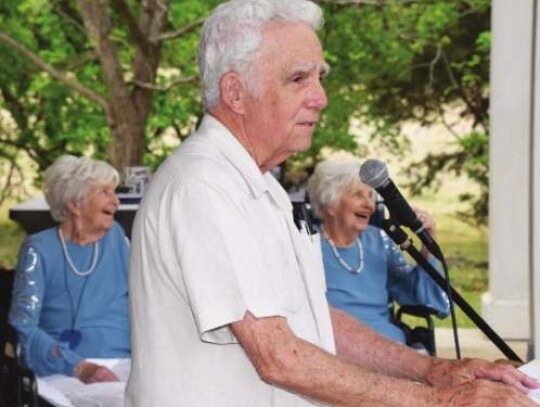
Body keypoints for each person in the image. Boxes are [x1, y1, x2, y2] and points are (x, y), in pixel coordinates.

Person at [126, 0, 538, 405]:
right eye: (298, 79)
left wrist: (433, 371)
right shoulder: (203, 185)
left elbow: (314, 321)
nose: (320, 98)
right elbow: (279, 357)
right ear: (235, 92)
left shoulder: (260, 185)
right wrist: (441, 401)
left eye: (319, 77)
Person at [9, 155, 131, 407]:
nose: (116, 201)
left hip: (126, 366)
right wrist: (79, 367)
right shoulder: (39, 249)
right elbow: (24, 327)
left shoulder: (117, 239)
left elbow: (147, 298)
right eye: (105, 192)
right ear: (75, 203)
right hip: (65, 372)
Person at [307, 158, 449, 348]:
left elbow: (421, 297)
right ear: (329, 203)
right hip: (336, 349)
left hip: (390, 346)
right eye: (358, 195)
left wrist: (427, 243)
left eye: (371, 196)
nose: (370, 205)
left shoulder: (379, 241)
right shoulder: (306, 245)